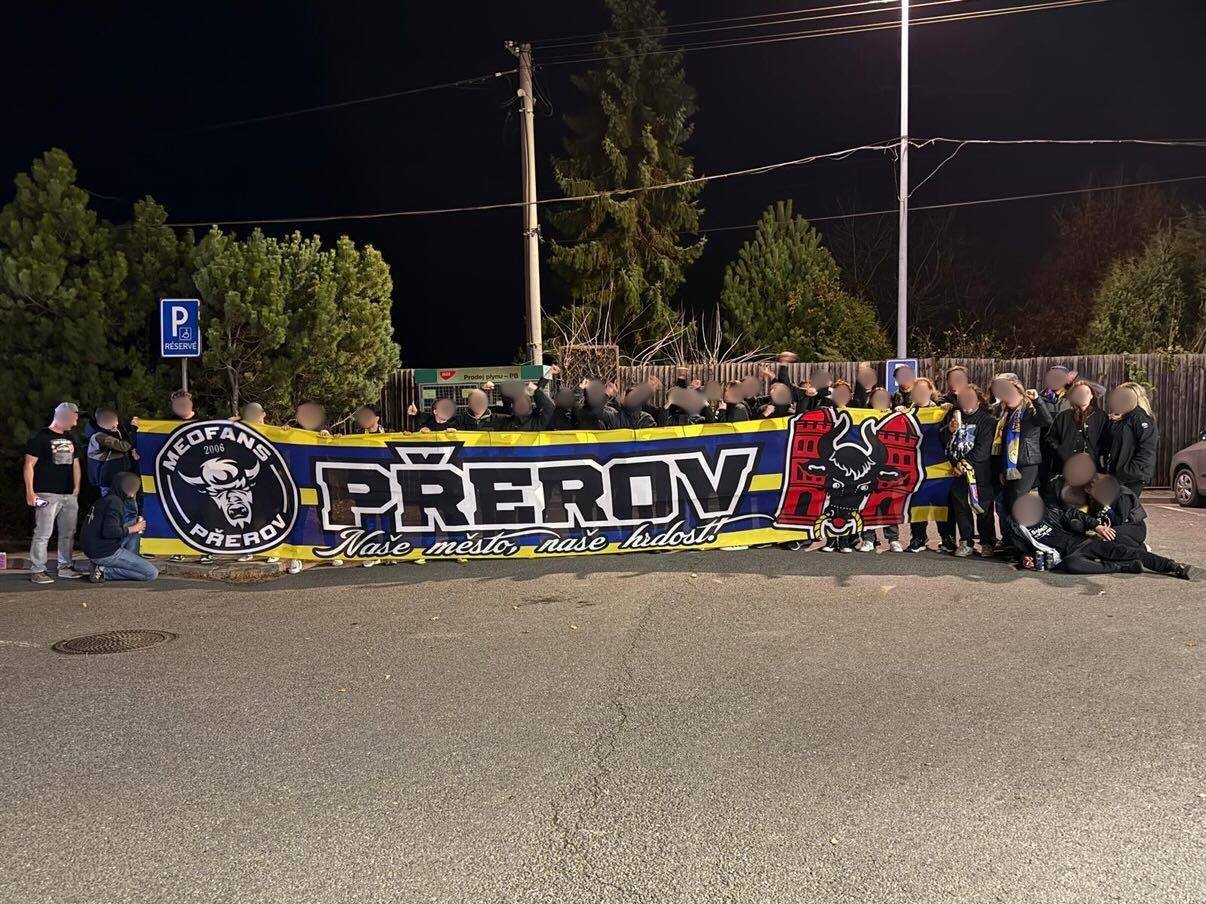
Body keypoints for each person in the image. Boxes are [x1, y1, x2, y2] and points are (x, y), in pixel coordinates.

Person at [1008, 492, 1196, 579]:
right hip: (1065, 558)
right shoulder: (1018, 530)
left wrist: (1096, 526)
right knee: (1072, 565)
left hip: (1083, 543)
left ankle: (1173, 566)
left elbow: (1072, 513)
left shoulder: (1048, 513)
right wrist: (1025, 559)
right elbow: (1021, 551)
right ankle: (1122, 567)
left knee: (1125, 551)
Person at [24, 402, 85, 584]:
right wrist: (30, 492)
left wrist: (76, 487)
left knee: (68, 532)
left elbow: (75, 463)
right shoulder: (40, 437)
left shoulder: (71, 438)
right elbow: (29, 465)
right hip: (47, 493)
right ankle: (37, 569)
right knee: (43, 532)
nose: (75, 423)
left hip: (69, 494)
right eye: (73, 418)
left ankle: (65, 567)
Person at [946, 384, 998, 557]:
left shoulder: (988, 420)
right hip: (956, 472)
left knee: (983, 508)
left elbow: (983, 449)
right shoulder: (952, 417)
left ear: (979, 400)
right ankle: (966, 542)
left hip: (980, 472)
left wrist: (963, 464)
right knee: (961, 507)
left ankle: (987, 542)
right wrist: (949, 431)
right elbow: (942, 440)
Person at [80, 471, 158, 583]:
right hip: (104, 552)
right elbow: (110, 532)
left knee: (134, 528)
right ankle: (104, 571)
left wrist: (134, 527)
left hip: (94, 548)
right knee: (151, 573)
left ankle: (124, 563)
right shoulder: (115, 503)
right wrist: (134, 528)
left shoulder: (105, 499)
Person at [992, 378, 1053, 515]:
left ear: (1021, 394)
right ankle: (1010, 528)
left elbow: (1047, 421)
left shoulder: (1029, 411)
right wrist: (1002, 469)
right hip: (1009, 464)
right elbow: (1004, 443)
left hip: (1027, 462)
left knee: (1017, 499)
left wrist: (1037, 400)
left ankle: (1019, 527)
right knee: (1006, 501)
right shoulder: (1005, 416)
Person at [1045, 380, 1109, 480]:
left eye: (1086, 392)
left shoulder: (1101, 416)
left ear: (1091, 396)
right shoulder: (1063, 416)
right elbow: (1050, 439)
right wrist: (1062, 451)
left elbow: (1106, 441)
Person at [1106, 381, 1158, 498]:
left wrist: (1131, 470)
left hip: (1131, 477)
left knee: (1124, 507)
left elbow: (1147, 449)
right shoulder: (1123, 418)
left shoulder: (1140, 418)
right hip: (1118, 475)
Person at [85, 407, 134, 494]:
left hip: (115, 478)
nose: (117, 424)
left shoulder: (106, 432)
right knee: (112, 501)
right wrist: (130, 429)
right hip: (108, 481)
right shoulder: (100, 437)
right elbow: (124, 446)